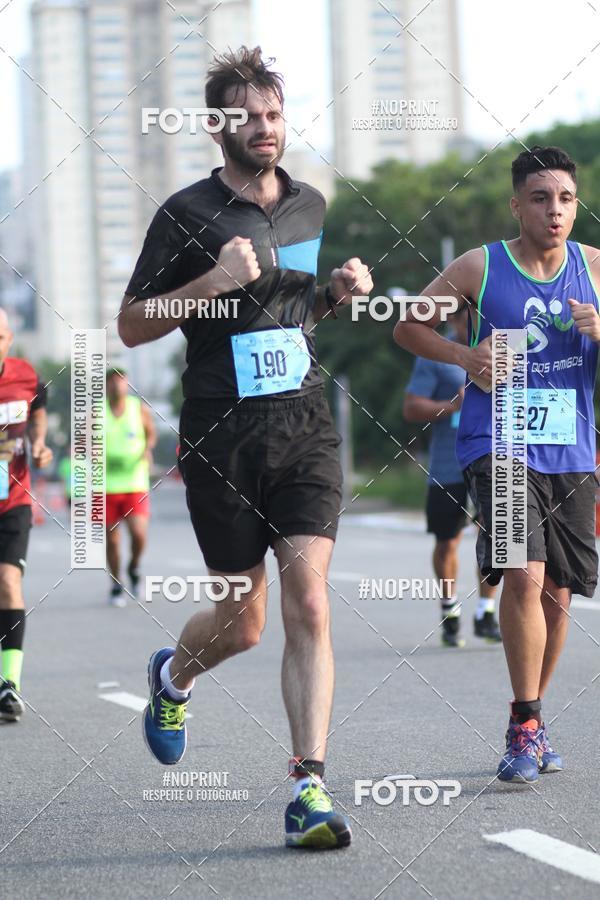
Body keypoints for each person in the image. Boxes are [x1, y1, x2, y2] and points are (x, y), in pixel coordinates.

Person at [118, 46, 373, 848]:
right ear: (217, 126)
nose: (265, 129)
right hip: (222, 438)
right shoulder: (185, 214)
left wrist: (330, 297)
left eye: (274, 114)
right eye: (248, 117)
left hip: (303, 428)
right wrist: (209, 285)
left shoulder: (310, 206)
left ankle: (309, 789)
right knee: (244, 622)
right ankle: (175, 675)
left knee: (308, 601)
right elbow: (130, 326)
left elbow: (291, 321)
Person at [394, 145, 600, 783]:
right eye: (540, 198)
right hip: (502, 446)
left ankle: (534, 719)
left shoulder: (595, 269)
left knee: (560, 595)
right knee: (523, 576)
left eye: (565, 198)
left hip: (572, 447)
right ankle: (526, 722)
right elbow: (406, 326)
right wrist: (466, 359)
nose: (555, 210)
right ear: (517, 206)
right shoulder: (481, 266)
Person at [403, 305, 500, 647]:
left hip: (492, 459)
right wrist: (451, 406)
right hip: (449, 464)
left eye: (478, 317)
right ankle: (450, 608)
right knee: (448, 542)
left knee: (496, 538)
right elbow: (411, 407)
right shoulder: (435, 355)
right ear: (453, 319)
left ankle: (486, 611)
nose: (472, 324)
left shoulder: (502, 351)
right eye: (465, 318)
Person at [0, 309, 52, 721]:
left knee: (8, 581)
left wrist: (38, 444)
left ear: (9, 337)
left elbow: (37, 411)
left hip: (13, 500)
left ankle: (9, 685)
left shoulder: (25, 376)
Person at [105, 368, 156, 607]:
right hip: (105, 485)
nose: (117, 385)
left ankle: (134, 568)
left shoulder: (138, 408)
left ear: (127, 383)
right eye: (112, 381)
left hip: (134, 482)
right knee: (113, 541)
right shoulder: (96, 412)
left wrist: (147, 449)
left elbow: (151, 434)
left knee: (138, 534)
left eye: (121, 380)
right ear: (106, 385)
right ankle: (116, 584)